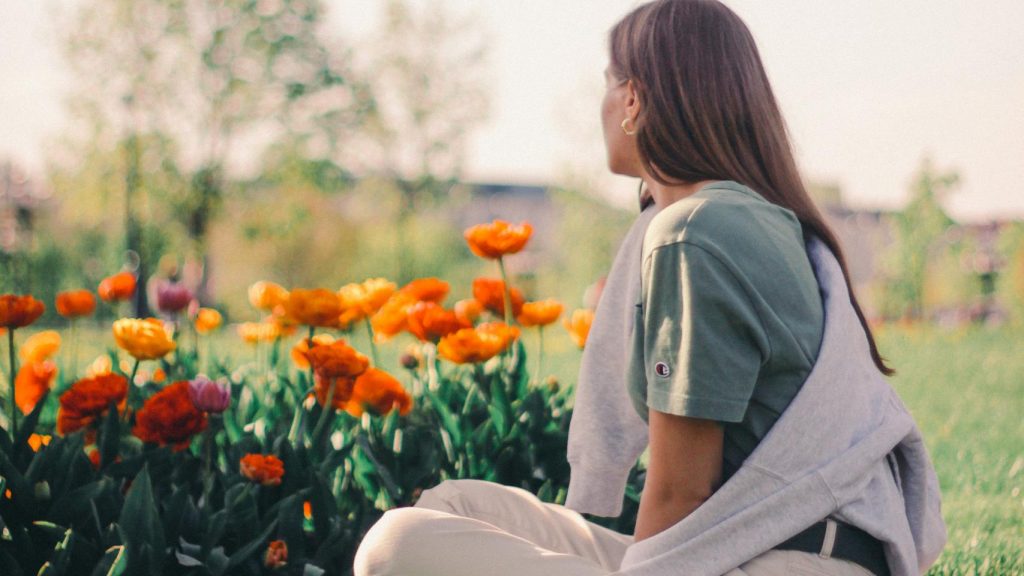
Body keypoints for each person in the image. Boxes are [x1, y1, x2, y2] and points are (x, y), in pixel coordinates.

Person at [353, 2, 945, 575]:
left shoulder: (691, 231)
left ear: (632, 99)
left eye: (608, 85)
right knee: (452, 507)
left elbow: (682, 490)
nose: (603, 107)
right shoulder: (749, 215)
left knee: (394, 545)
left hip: (786, 560)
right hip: (753, 545)